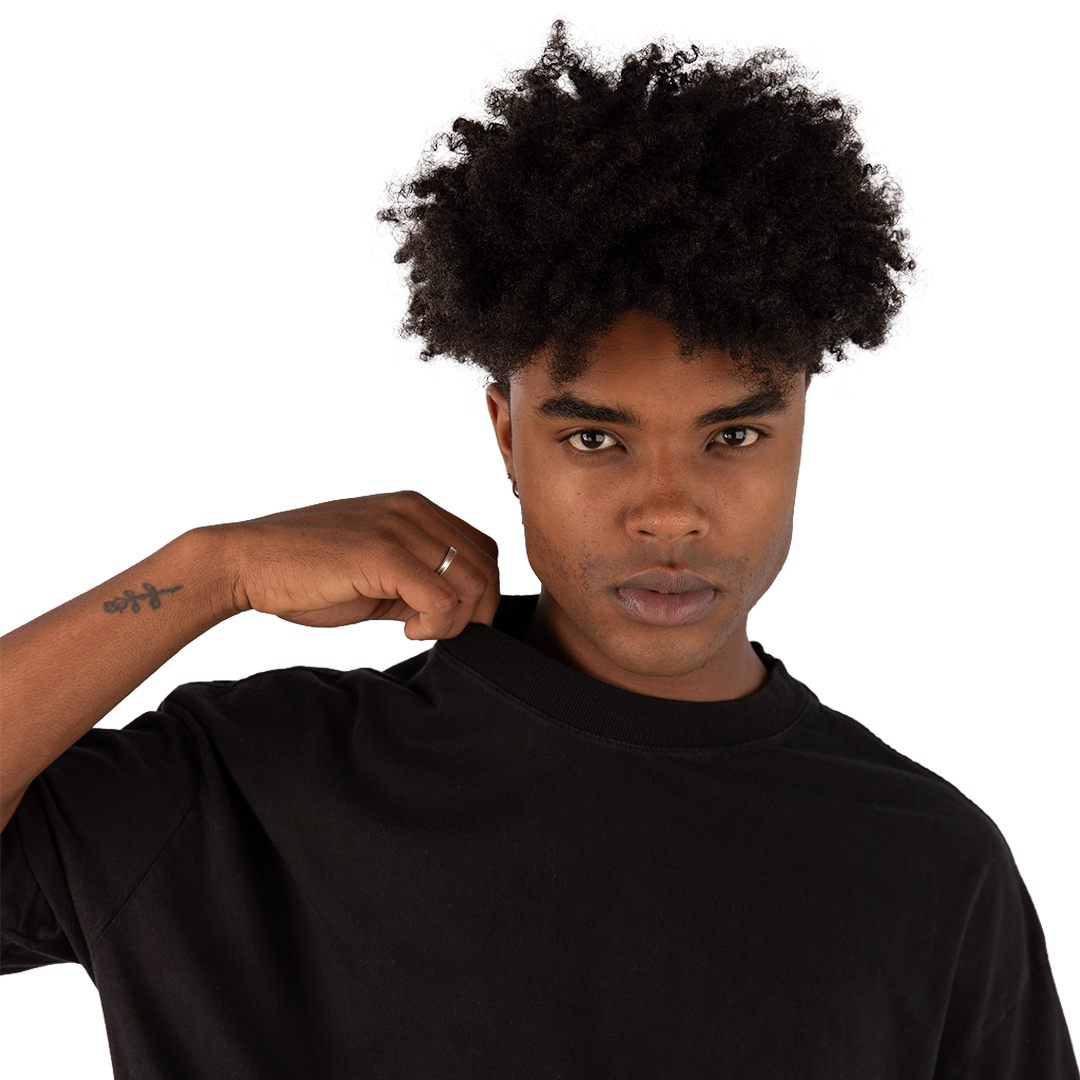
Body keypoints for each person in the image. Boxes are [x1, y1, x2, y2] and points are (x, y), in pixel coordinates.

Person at [2, 19, 1076, 1078]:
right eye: (596, 438)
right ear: (507, 437)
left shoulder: (929, 865)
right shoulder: (244, 790)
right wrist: (207, 573)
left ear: (802, 431)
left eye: (734, 436)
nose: (668, 514)